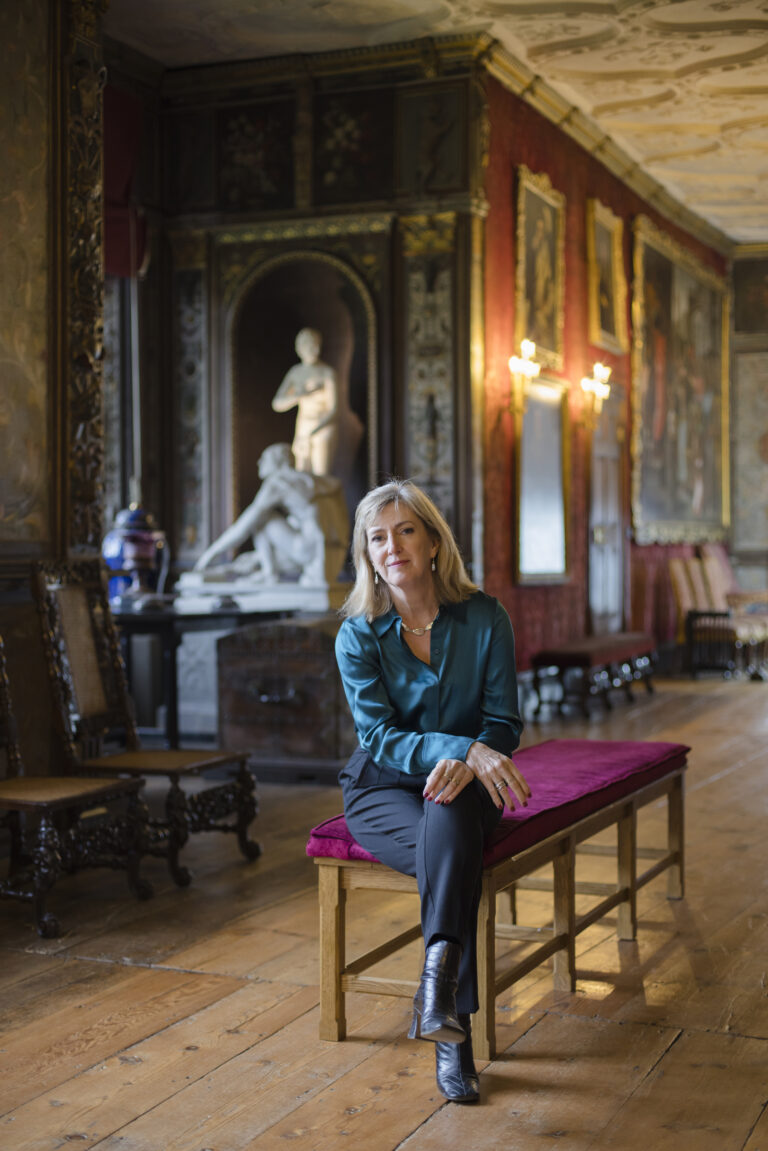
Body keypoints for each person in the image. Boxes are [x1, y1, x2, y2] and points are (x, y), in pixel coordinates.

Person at [335, 479, 529, 1103]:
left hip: (466, 787)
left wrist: (472, 760)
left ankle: (441, 1001)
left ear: (434, 542)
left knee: (448, 818)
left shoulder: (484, 618)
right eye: (377, 537)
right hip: (382, 786)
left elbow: (504, 722)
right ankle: (449, 1022)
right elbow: (381, 737)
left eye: (405, 531)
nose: (392, 547)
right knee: (455, 859)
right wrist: (459, 747)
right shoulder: (358, 635)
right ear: (367, 554)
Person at [193, 443, 348, 586]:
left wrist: (211, 553)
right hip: (334, 554)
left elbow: (243, 526)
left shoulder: (278, 483)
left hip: (308, 551)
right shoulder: (315, 481)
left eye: (264, 458)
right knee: (250, 560)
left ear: (278, 462)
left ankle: (269, 574)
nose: (259, 462)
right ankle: (262, 568)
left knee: (262, 519)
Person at [271, 328, 339, 475]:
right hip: (303, 426)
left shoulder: (327, 373)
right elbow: (277, 403)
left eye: (317, 345)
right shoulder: (296, 373)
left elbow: (334, 410)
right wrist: (299, 395)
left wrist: (313, 431)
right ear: (300, 349)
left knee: (321, 474)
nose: (315, 350)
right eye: (310, 346)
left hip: (323, 427)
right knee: (302, 473)